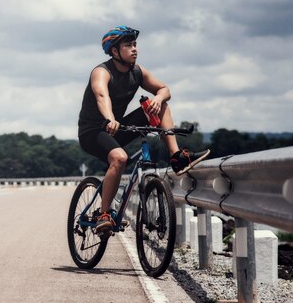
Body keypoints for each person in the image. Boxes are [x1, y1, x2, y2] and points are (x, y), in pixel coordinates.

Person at [78, 26, 210, 233]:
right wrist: (110, 118)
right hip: (94, 131)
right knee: (120, 158)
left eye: (135, 44)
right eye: (128, 45)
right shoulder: (101, 72)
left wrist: (157, 98)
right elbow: (101, 96)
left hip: (117, 128)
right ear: (114, 51)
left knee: (160, 105)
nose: (134, 49)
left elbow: (164, 89)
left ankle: (176, 156)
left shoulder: (137, 72)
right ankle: (103, 214)